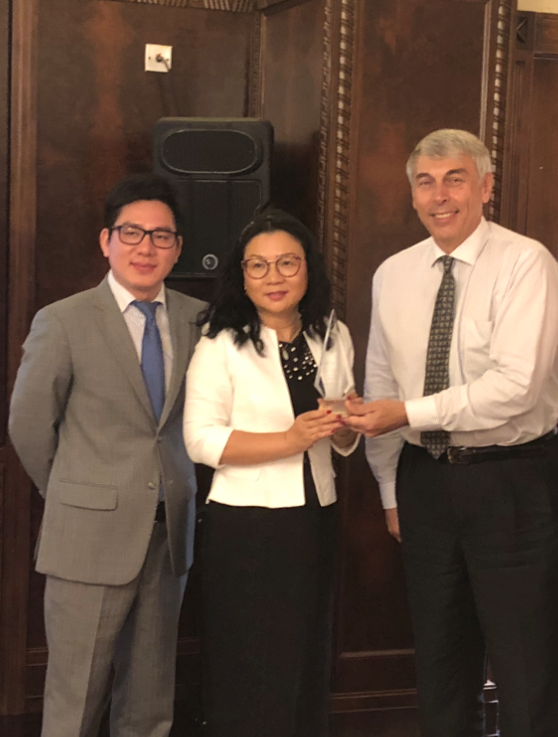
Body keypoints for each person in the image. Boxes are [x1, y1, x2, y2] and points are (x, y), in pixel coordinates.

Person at [345, 129, 558, 737]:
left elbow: (515, 387)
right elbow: (380, 385)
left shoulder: (526, 263)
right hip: (425, 485)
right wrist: (391, 489)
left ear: (486, 186)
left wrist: (408, 413)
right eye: (426, 182)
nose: (439, 195)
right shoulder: (393, 273)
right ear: (412, 194)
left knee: (528, 671)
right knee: (442, 669)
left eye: (455, 179)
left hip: (514, 481)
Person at [9, 174, 206, 737]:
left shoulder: (199, 319)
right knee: (76, 698)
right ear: (106, 241)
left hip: (168, 533)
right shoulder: (63, 320)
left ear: (178, 248)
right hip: (87, 536)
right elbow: (29, 426)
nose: (146, 247)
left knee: (149, 699)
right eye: (131, 233)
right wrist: (74, 493)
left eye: (161, 236)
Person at [183, 208, 359, 737]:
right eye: (258, 266)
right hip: (246, 525)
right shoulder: (220, 342)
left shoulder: (332, 334)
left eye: (287, 263)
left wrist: (347, 425)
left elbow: (341, 437)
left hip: (315, 514)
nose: (273, 277)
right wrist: (289, 440)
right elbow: (200, 439)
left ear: (308, 269)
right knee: (252, 661)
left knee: (306, 653)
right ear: (242, 276)